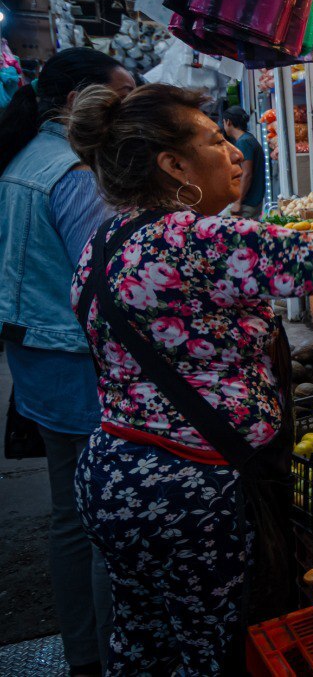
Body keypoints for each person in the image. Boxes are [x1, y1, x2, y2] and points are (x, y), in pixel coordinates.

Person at [66, 82, 313, 674]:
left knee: (144, 643)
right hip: (189, 491)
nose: (236, 152)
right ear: (173, 165)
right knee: (215, 652)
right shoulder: (199, 238)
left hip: (115, 476)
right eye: (215, 141)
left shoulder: (104, 242)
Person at [0, 47, 136, 677]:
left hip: (37, 358)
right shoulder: (72, 173)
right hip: (76, 361)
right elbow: (110, 277)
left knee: (71, 518)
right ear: (84, 100)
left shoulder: (25, 160)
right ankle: (106, 660)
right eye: (124, 92)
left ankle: (84, 656)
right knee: (103, 527)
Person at [222, 106, 266, 218]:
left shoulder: (244, 142)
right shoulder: (249, 138)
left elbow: (247, 174)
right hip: (253, 201)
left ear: (228, 122)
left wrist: (238, 202)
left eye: (223, 122)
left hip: (247, 204)